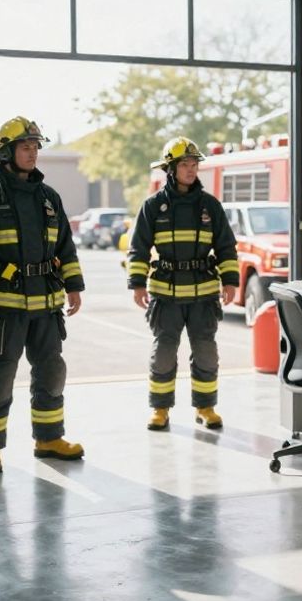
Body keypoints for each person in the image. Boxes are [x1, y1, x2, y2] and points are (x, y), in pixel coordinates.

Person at [0, 117, 86, 475]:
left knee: (51, 372)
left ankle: (48, 439)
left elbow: (66, 247)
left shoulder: (48, 198)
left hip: (46, 307)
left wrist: (74, 286)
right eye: (25, 147)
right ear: (6, 153)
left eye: (36, 147)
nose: (32, 153)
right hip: (3, 309)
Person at [127, 138, 239, 431]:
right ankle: (160, 409)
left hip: (204, 295)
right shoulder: (153, 206)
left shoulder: (209, 205)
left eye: (194, 164)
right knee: (164, 353)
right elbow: (138, 248)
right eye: (185, 165)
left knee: (206, 352)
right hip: (165, 295)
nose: (191, 170)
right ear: (171, 169)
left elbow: (226, 247)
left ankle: (206, 407)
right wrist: (137, 284)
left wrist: (230, 281)